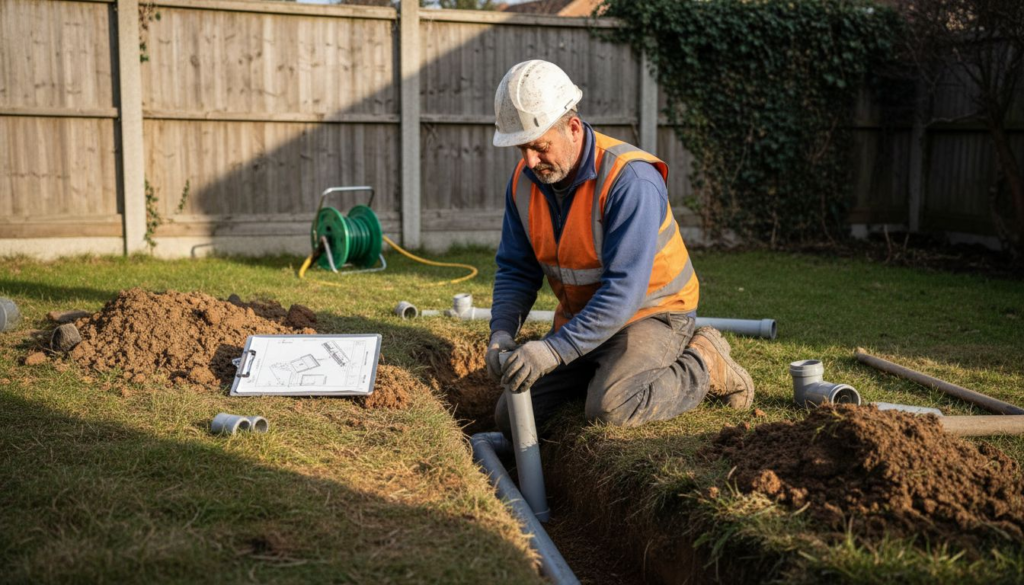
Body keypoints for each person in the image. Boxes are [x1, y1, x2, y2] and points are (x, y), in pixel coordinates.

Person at [486, 60, 755, 438]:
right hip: (585, 320)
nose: (530, 161)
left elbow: (624, 293)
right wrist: (501, 331)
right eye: (521, 150)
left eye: (539, 147)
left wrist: (553, 351)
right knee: (510, 417)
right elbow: (516, 270)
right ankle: (600, 369)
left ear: (573, 128)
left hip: (652, 314)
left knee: (611, 408)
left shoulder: (630, 180)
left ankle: (705, 363)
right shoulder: (524, 182)